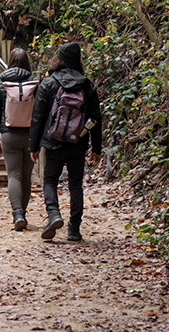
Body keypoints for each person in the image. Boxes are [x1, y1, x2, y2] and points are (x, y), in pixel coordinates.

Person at [28, 41, 102, 242]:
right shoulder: (87, 86)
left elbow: (38, 117)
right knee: (75, 185)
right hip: (78, 142)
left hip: (53, 142)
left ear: (59, 60)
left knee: (50, 180)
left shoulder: (49, 83)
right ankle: (74, 229)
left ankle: (53, 215)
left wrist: (33, 146)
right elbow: (95, 119)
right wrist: (96, 148)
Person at [0, 48, 39, 231]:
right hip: (30, 135)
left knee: (13, 175)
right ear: (27, 62)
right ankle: (23, 214)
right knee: (26, 176)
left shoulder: (0, 83)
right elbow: (40, 112)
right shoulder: (36, 82)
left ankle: (17, 213)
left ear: (10, 61)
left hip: (9, 135)